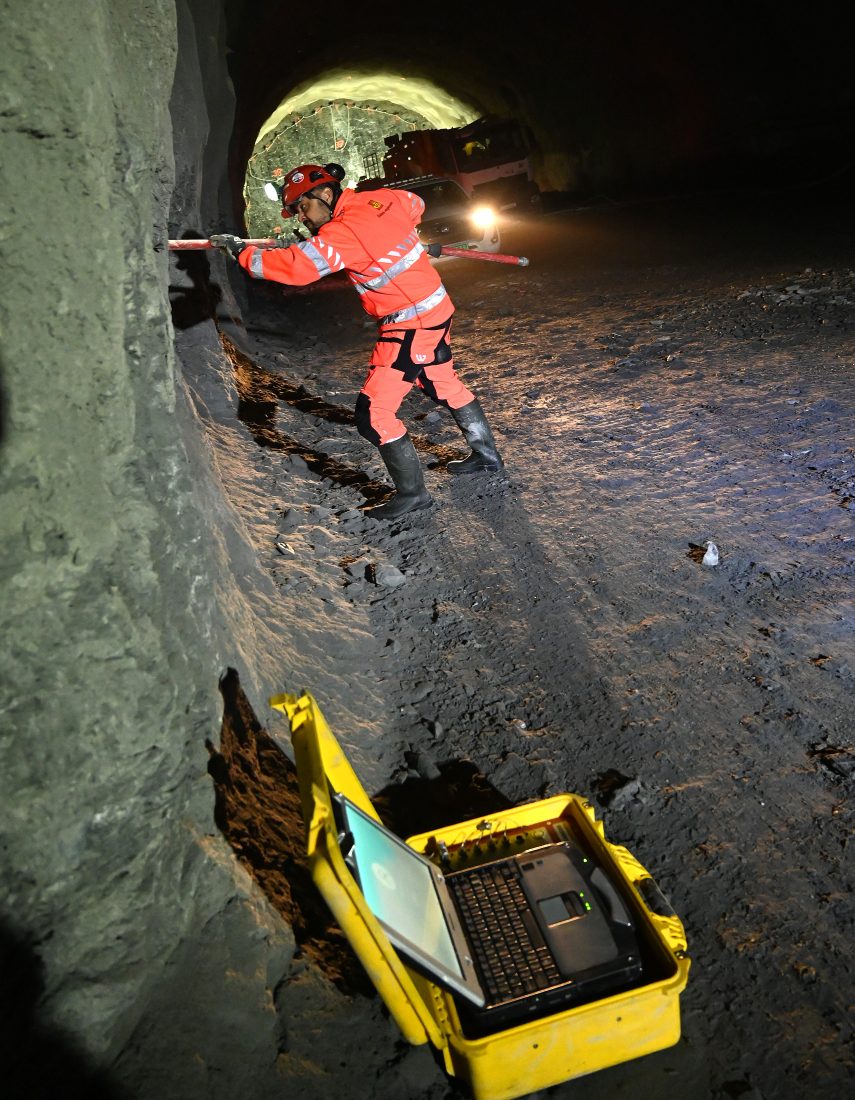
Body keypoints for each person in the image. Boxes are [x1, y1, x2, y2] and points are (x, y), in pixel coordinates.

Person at [210, 163, 503, 520]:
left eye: (303, 206)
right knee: (441, 382)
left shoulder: (343, 232)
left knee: (373, 414)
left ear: (327, 194)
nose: (301, 216)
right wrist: (397, 236)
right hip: (436, 308)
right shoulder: (381, 200)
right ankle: (487, 457)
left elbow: (298, 268)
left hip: (410, 323)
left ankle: (414, 495)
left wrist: (242, 253)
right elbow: (415, 205)